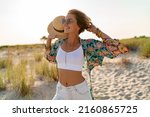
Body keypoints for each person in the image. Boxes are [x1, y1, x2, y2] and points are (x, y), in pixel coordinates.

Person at [45, 9, 128, 100]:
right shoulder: (58, 44)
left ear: (79, 26)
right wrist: (49, 40)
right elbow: (50, 58)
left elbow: (118, 48)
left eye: (70, 21)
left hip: (80, 92)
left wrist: (96, 31)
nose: (65, 23)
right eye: (65, 21)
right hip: (61, 91)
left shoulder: (87, 45)